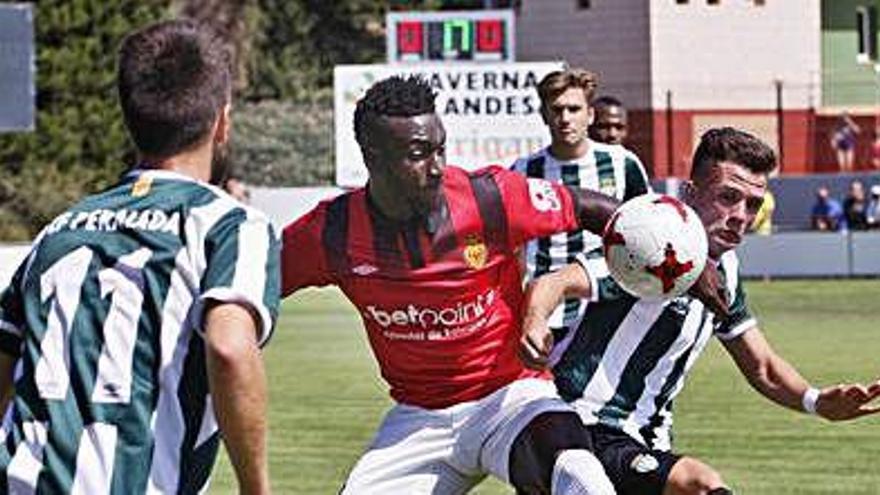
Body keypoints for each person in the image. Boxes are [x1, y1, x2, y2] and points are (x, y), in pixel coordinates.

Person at [282, 75, 726, 494]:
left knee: (580, 475)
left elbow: (589, 207)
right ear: (372, 155)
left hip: (512, 400)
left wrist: (687, 257)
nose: (437, 168)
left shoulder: (489, 197)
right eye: (418, 154)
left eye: (441, 149)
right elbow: (257, 289)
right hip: (418, 420)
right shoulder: (331, 232)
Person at [0, 20, 279, 494]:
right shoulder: (231, 225)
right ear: (223, 122)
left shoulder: (59, 230)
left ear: (129, 121)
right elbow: (230, 347)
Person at [520, 127, 880, 495]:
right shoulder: (656, 240)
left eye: (753, 204)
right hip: (579, 427)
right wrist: (534, 321)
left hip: (645, 440)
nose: (741, 215)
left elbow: (762, 366)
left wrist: (816, 401)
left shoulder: (727, 268)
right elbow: (555, 283)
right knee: (701, 485)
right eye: (728, 197)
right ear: (691, 193)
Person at [511, 70, 650, 354]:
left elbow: (647, 234)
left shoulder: (623, 163)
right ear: (543, 115)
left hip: (607, 309)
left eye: (573, 109)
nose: (565, 118)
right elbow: (513, 247)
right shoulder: (523, 171)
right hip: (547, 317)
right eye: (557, 110)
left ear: (590, 115)